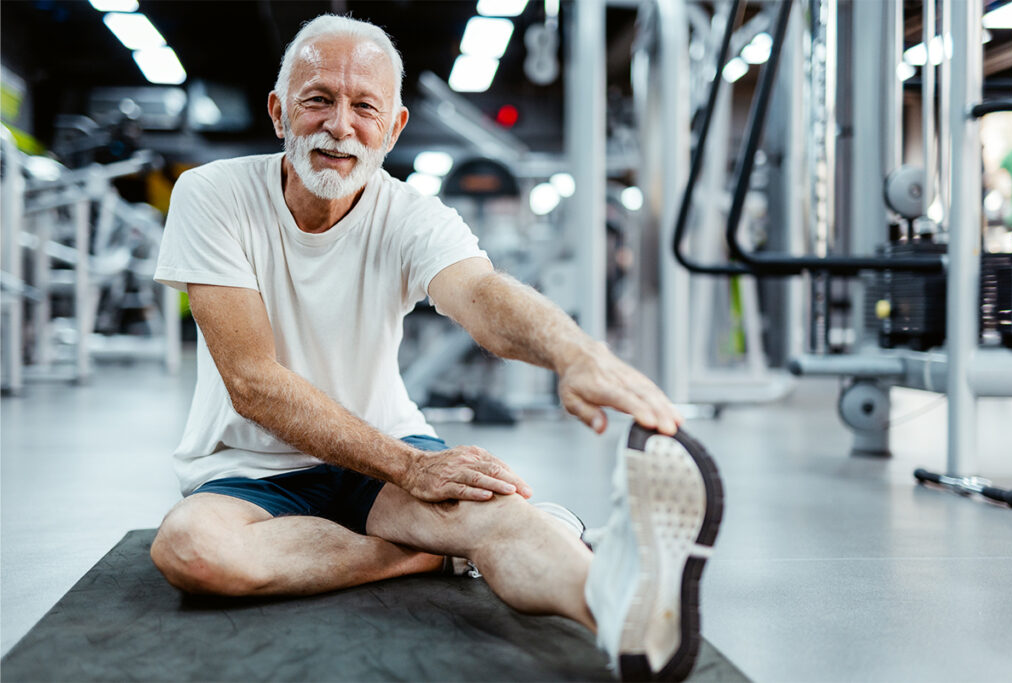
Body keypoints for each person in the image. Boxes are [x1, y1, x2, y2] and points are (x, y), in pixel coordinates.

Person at [150, 15, 722, 682]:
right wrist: (410, 469)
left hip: (384, 449)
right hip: (254, 468)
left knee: (503, 523)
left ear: (393, 128)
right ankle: (436, 552)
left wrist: (575, 354)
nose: (340, 125)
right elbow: (252, 380)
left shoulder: (411, 215)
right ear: (280, 112)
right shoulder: (213, 194)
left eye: (365, 107)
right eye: (318, 99)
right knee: (191, 550)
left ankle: (619, 611)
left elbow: (481, 295)